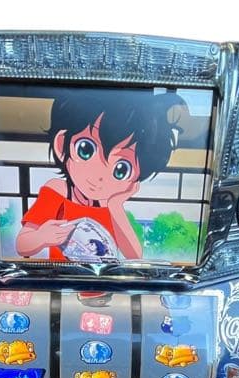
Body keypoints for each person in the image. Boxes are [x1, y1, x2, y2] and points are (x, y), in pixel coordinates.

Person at [16, 89, 187, 261]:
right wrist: (42, 237)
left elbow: (134, 255)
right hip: (62, 276)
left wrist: (115, 206)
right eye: (86, 150)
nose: (100, 176)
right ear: (61, 145)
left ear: (133, 180)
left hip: (106, 277)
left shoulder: (110, 204)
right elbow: (22, 245)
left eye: (121, 170)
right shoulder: (58, 190)